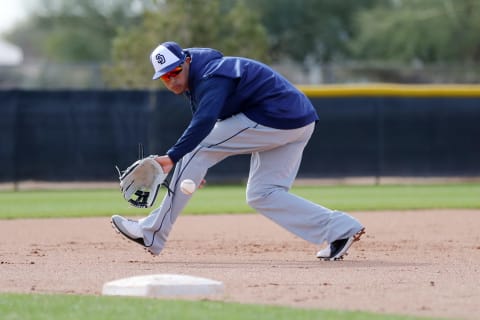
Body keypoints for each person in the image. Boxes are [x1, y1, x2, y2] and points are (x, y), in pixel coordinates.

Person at [111, 41, 365, 260]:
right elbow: (207, 124)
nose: (172, 80)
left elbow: (205, 122)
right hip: (297, 121)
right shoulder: (201, 77)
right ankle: (339, 229)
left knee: (194, 151)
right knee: (262, 193)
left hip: (276, 117)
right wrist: (192, 170)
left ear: (186, 60)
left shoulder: (212, 75)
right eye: (165, 77)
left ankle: (151, 233)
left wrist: (173, 157)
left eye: (175, 71)